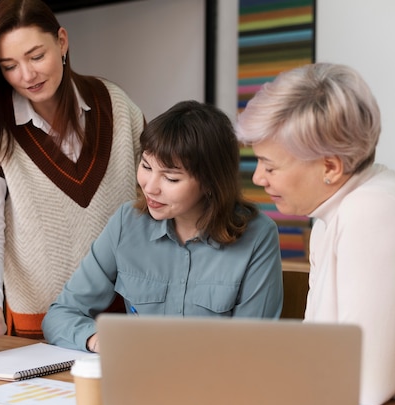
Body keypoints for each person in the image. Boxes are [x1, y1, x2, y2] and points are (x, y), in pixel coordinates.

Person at [236, 62, 395, 405]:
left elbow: (366, 383)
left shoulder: (374, 213)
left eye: (270, 166)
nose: (258, 178)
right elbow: (320, 353)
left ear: (330, 167)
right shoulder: (337, 213)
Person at [0, 0, 145, 346]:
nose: (27, 76)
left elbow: (152, 198)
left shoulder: (115, 104)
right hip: (37, 325)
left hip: (124, 315)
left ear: (62, 41)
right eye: (9, 66)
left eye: (36, 56)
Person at [42, 100, 284, 352]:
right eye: (146, 166)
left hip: (215, 385)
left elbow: (253, 346)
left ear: (211, 182)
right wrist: (96, 339)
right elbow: (61, 316)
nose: (150, 186)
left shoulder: (258, 235)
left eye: (170, 178)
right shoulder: (127, 223)